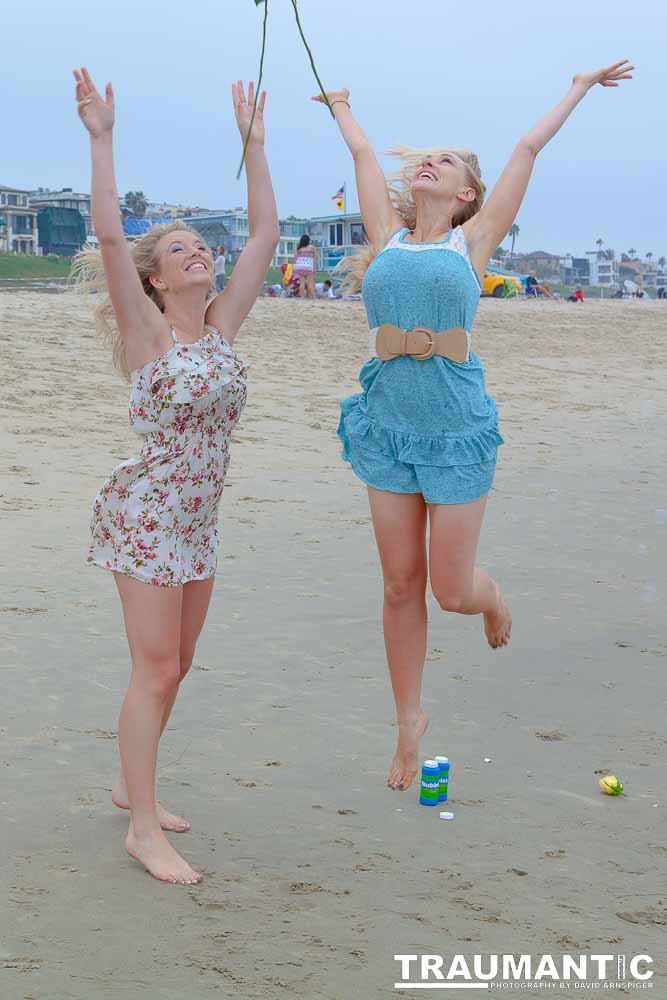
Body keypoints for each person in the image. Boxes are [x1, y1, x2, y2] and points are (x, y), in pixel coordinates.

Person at [313, 58, 633, 792]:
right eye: (426, 156)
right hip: (387, 425)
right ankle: (407, 724)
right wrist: (339, 103)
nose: (429, 161)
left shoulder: (473, 240)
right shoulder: (385, 237)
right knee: (399, 586)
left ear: (465, 195)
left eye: (447, 160)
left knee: (449, 592)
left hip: (456, 427)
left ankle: (494, 598)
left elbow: (525, 150)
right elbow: (363, 154)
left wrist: (577, 86)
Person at [73, 69, 279, 884]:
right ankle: (143, 829)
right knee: (155, 667)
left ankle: (133, 782)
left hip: (198, 518)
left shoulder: (222, 326)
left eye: (201, 246)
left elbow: (263, 234)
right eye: (180, 251)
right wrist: (101, 138)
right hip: (149, 514)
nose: (197, 253)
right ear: (158, 278)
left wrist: (254, 145)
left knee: (178, 664)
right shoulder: (147, 334)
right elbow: (114, 239)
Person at [292, 234, 318, 298]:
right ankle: (314, 297)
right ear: (308, 241)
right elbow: (315, 259)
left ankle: (302, 297)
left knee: (302, 283)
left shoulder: (299, 248)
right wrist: (315, 268)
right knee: (310, 283)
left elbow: (295, 258)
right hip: (308, 267)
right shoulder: (312, 248)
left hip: (300, 266)